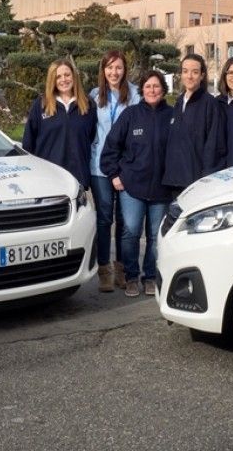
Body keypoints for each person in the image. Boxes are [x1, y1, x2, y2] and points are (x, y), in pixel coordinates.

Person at [100, 70, 173, 297]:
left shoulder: (172, 116)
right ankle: (131, 276)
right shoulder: (131, 115)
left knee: (154, 236)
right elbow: (111, 147)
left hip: (161, 188)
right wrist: (114, 175)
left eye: (156, 86)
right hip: (131, 186)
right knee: (130, 232)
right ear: (142, 90)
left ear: (163, 89)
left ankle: (149, 276)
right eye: (148, 86)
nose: (152, 90)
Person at [89, 50, 139, 292]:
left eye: (118, 67)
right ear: (103, 70)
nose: (114, 72)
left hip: (126, 166)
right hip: (99, 166)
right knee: (104, 217)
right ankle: (103, 269)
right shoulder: (93, 95)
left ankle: (122, 268)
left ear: (124, 69)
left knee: (124, 220)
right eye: (109, 68)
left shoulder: (135, 94)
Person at [22, 58, 96, 189]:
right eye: (58, 77)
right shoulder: (41, 104)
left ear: (74, 76)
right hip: (48, 178)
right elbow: (28, 143)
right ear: (52, 80)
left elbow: (90, 138)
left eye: (67, 75)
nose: (64, 80)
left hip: (78, 178)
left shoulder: (88, 105)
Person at [163, 53, 226, 194]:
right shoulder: (179, 102)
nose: (189, 76)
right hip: (174, 180)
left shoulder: (210, 104)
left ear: (202, 75)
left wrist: (207, 178)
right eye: (185, 71)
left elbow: (214, 145)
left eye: (195, 72)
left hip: (196, 182)